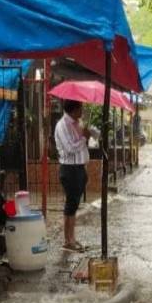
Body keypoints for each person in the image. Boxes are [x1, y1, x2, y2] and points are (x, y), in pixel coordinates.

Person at [54, 99, 93, 252]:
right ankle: (67, 240)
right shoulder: (63, 125)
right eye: (80, 108)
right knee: (70, 205)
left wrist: (86, 135)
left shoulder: (77, 123)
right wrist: (84, 138)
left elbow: (80, 144)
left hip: (79, 168)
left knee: (74, 205)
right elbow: (70, 148)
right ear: (74, 109)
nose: (82, 111)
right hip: (70, 169)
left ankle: (72, 238)